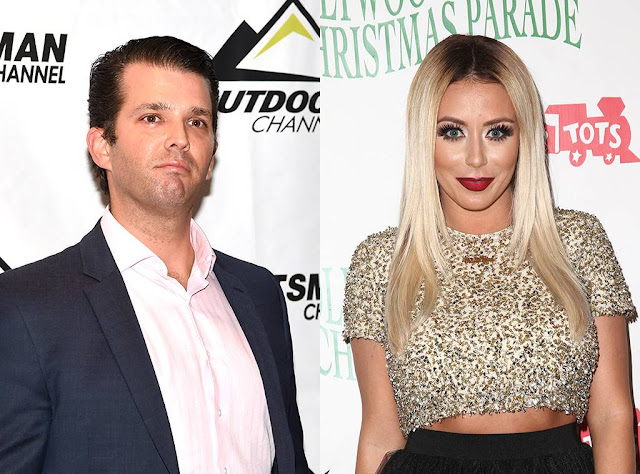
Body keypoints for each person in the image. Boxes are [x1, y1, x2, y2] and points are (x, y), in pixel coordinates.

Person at [0, 36, 308, 474]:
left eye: (197, 122)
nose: (179, 138)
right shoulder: (25, 306)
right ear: (102, 146)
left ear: (211, 156)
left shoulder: (260, 294)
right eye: (152, 118)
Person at [343, 35, 636, 473]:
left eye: (497, 132)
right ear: (424, 138)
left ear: (525, 137)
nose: (476, 158)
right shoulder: (381, 261)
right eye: (452, 132)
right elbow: (380, 435)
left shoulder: (578, 240)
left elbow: (612, 415)